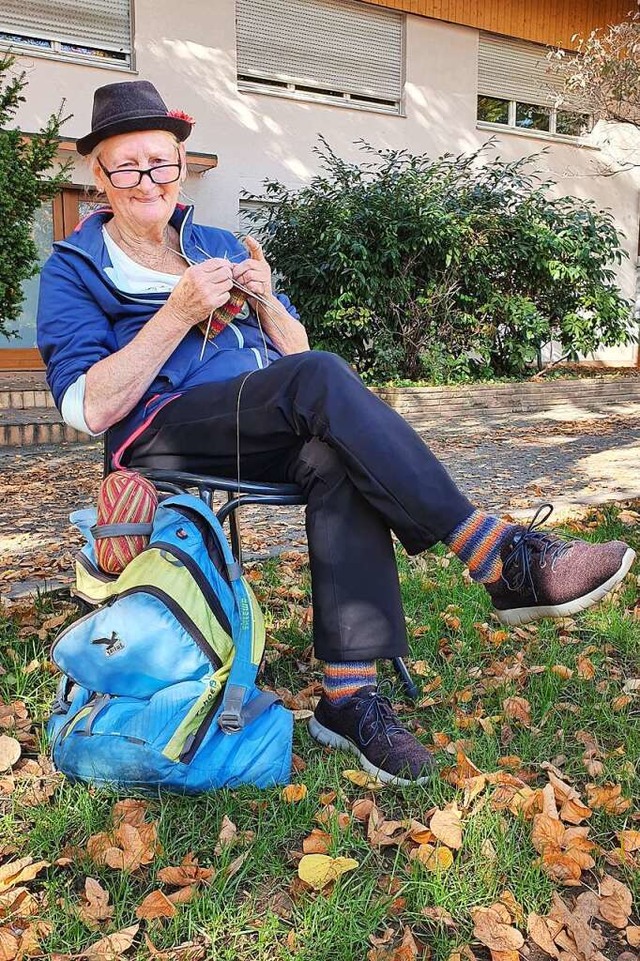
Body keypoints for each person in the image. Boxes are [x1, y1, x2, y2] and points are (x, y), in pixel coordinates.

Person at [37, 81, 635, 786]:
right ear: (99, 176)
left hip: (268, 415)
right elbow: (87, 408)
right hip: (163, 430)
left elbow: (295, 349)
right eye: (128, 165)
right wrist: (174, 314)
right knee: (321, 381)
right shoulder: (75, 267)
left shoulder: (217, 243)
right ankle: (498, 555)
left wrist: (261, 300)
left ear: (180, 165)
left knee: (333, 453)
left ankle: (348, 698)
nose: (148, 180)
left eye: (161, 162)